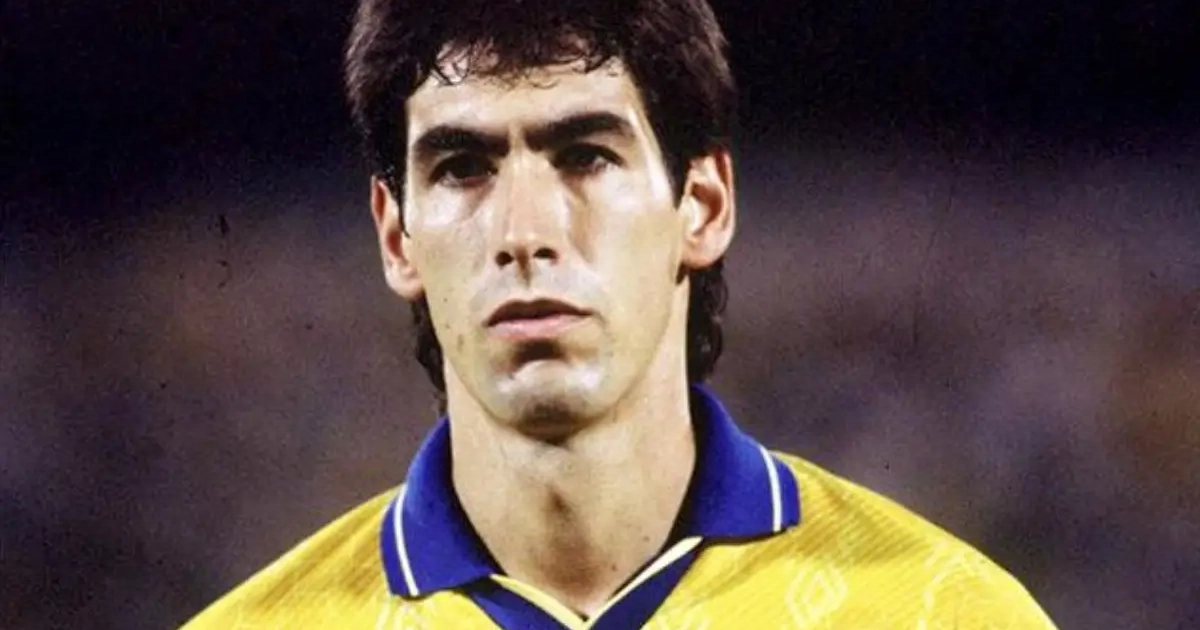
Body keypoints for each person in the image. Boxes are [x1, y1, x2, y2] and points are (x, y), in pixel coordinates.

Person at [184, 0, 1058, 627]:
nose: (524, 234)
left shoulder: (949, 614)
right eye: (461, 168)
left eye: (586, 155)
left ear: (703, 206)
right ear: (396, 236)